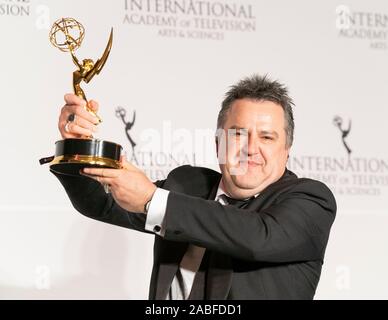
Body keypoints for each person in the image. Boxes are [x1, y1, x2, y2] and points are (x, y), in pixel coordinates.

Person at [54, 75, 336, 300]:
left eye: (267, 137)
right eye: (237, 134)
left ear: (287, 150)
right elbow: (101, 203)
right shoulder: (187, 187)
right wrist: (76, 146)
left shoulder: (310, 201)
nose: (250, 148)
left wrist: (154, 200)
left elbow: (257, 237)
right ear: (217, 144)